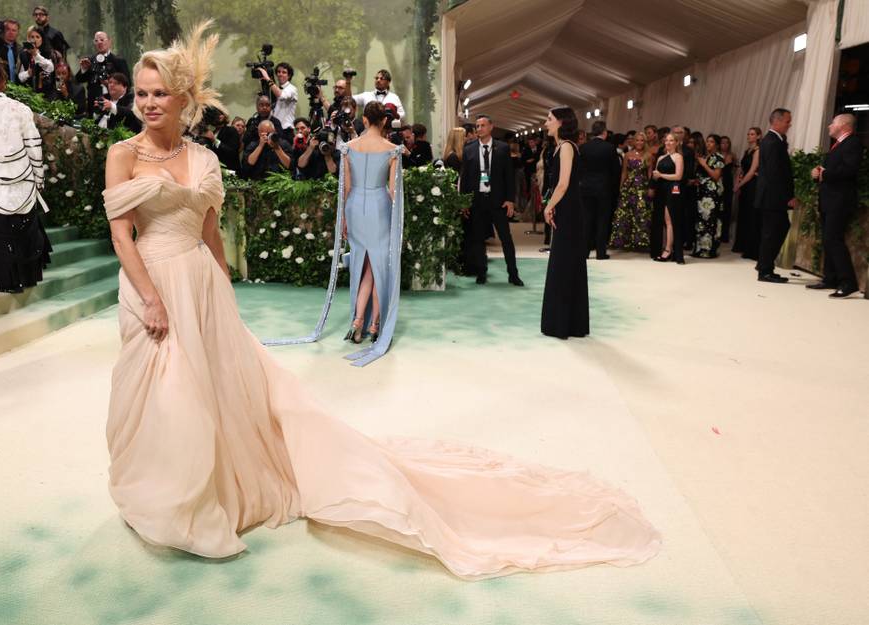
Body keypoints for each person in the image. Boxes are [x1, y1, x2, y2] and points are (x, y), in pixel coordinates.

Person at [102, 24, 660, 574]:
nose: (149, 103)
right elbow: (122, 235)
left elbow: (210, 233)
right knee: (164, 388)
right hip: (151, 282)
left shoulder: (200, 159)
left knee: (211, 387)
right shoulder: (123, 155)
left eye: (159, 92)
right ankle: (168, 495)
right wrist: (150, 298)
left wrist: (223, 291)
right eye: (142, 93)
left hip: (201, 284)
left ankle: (210, 489)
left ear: (181, 98)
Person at [336, 101, 404, 360]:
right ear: (384, 121)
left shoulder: (348, 148)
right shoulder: (392, 150)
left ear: (364, 120)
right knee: (378, 266)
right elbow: (394, 191)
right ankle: (375, 325)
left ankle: (358, 321)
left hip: (354, 207)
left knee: (363, 266)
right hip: (379, 206)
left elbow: (347, 187)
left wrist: (343, 217)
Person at [0, 57, 52, 293]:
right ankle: (28, 278)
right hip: (22, 178)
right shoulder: (20, 109)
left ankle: (6, 283)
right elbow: (34, 146)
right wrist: (39, 179)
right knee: (23, 231)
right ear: (4, 81)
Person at [541, 106, 588, 339]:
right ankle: (569, 323)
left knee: (564, 264)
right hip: (565, 208)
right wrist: (552, 206)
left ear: (561, 122)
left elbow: (563, 183)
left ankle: (564, 324)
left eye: (549, 119)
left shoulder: (567, 147)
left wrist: (549, 206)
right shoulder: (561, 147)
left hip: (569, 211)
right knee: (564, 264)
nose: (545, 122)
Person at [460, 114, 523, 286]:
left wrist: (510, 200)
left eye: (482, 125)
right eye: (477, 126)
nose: (479, 129)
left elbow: (508, 176)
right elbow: (464, 178)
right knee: (478, 239)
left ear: (491, 127)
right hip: (478, 201)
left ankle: (513, 273)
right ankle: (481, 272)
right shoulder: (469, 149)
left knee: (506, 239)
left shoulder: (502, 148)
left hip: (498, 201)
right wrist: (464, 202)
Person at [808, 113, 863, 298]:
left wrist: (825, 174)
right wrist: (819, 173)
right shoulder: (838, 144)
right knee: (828, 239)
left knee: (833, 239)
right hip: (830, 200)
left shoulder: (853, 142)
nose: (829, 126)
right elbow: (833, 170)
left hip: (840, 201)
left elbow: (850, 169)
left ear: (844, 125)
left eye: (833, 123)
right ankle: (830, 278)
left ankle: (849, 282)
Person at [755, 108, 795, 283]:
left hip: (771, 196)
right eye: (787, 121)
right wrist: (788, 197)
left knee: (775, 230)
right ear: (776, 121)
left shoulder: (774, 140)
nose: (789, 124)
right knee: (772, 232)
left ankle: (764, 266)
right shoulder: (773, 142)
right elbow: (775, 174)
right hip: (773, 197)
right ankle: (765, 270)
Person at [579, 121, 621, 260]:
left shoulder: (583, 147)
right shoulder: (609, 148)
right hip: (604, 188)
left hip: (586, 188)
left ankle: (584, 251)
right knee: (602, 220)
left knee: (587, 219)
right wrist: (615, 189)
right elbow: (616, 170)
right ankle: (600, 253)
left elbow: (579, 169)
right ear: (604, 132)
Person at [610, 131, 652, 252]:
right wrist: (621, 187)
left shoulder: (648, 156)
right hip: (628, 187)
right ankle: (623, 241)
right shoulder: (627, 155)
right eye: (637, 140)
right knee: (625, 213)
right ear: (634, 141)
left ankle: (640, 242)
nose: (639, 142)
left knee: (641, 214)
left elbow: (649, 174)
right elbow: (624, 172)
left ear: (645, 142)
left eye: (642, 140)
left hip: (642, 188)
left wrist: (650, 188)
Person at [650, 132, 685, 263]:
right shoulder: (660, 158)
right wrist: (654, 178)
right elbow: (656, 175)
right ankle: (664, 247)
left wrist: (660, 175)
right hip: (660, 190)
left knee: (670, 221)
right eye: (667, 140)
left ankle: (668, 249)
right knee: (662, 221)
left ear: (677, 143)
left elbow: (678, 176)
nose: (668, 143)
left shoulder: (678, 157)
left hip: (672, 190)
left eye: (671, 141)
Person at [76, 32, 130, 114]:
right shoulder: (89, 60)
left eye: (102, 40)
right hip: (93, 104)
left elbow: (128, 84)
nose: (99, 42)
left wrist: (110, 84)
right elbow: (79, 80)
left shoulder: (119, 61)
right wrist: (84, 69)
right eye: (96, 40)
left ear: (109, 41)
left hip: (114, 104)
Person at [692, 133, 724, 258]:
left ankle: (709, 250)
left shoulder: (719, 157)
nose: (708, 143)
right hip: (701, 191)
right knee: (701, 220)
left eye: (711, 141)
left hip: (712, 193)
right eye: (707, 141)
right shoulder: (704, 156)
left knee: (710, 219)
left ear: (716, 144)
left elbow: (716, 176)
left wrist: (704, 164)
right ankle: (699, 248)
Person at [732, 127, 761, 259]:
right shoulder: (747, 150)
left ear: (759, 136)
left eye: (752, 134)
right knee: (743, 214)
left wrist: (739, 184)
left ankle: (750, 248)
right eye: (748, 134)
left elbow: (752, 171)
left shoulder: (758, 150)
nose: (749, 136)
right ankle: (741, 245)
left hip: (753, 185)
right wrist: (738, 180)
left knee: (750, 216)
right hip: (745, 184)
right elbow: (744, 169)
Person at [257, 61, 297, 142]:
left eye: (284, 72)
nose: (280, 74)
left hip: (286, 131)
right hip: (275, 130)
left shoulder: (292, 88)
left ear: (289, 76)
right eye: (278, 72)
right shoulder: (275, 88)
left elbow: (281, 96)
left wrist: (268, 78)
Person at [18, 26, 55, 97]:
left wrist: (36, 54)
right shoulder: (23, 54)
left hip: (45, 92)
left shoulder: (48, 53)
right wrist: (27, 73)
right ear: (28, 39)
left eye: (37, 37)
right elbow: (20, 77)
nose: (35, 40)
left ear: (42, 39)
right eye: (32, 37)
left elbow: (50, 68)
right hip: (28, 93)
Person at [718, 136, 736, 242]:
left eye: (727, 143)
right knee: (718, 208)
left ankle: (725, 234)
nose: (724, 145)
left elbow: (735, 170)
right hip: (718, 182)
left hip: (728, 183)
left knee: (727, 208)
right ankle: (717, 233)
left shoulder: (732, 156)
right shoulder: (717, 156)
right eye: (722, 143)